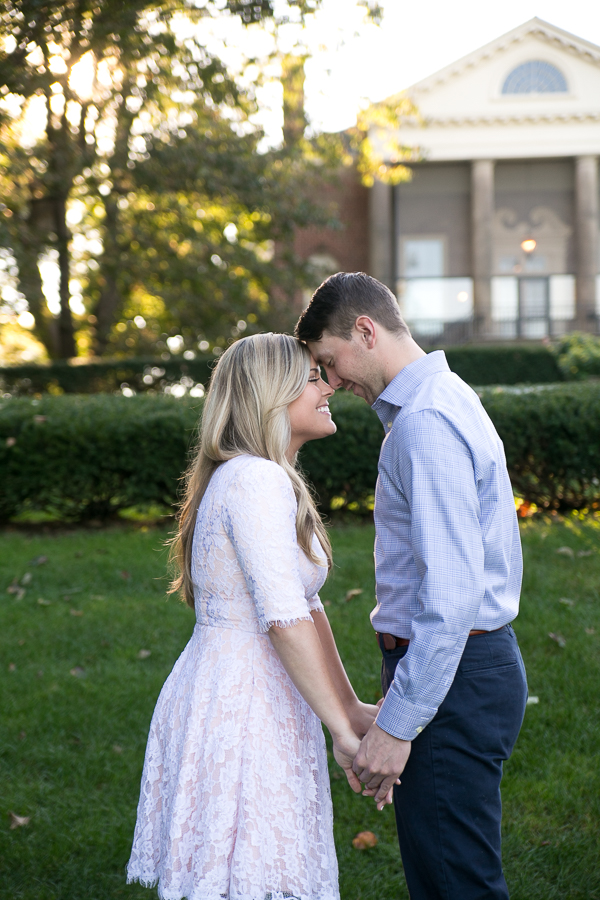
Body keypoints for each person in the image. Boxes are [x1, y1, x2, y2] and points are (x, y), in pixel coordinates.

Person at [296, 272, 528, 900]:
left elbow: (451, 599)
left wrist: (396, 727)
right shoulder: (443, 398)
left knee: (457, 885)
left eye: (329, 361)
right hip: (460, 670)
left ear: (365, 331)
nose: (333, 382)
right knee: (445, 875)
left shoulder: (425, 422)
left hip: (455, 676)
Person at [126, 332, 381, 900]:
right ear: (272, 394)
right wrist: (342, 733)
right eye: (313, 378)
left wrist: (349, 707)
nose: (328, 386)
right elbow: (284, 617)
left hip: (259, 692)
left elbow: (307, 608)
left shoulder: (259, 476)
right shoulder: (256, 480)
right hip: (242, 705)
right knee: (249, 877)